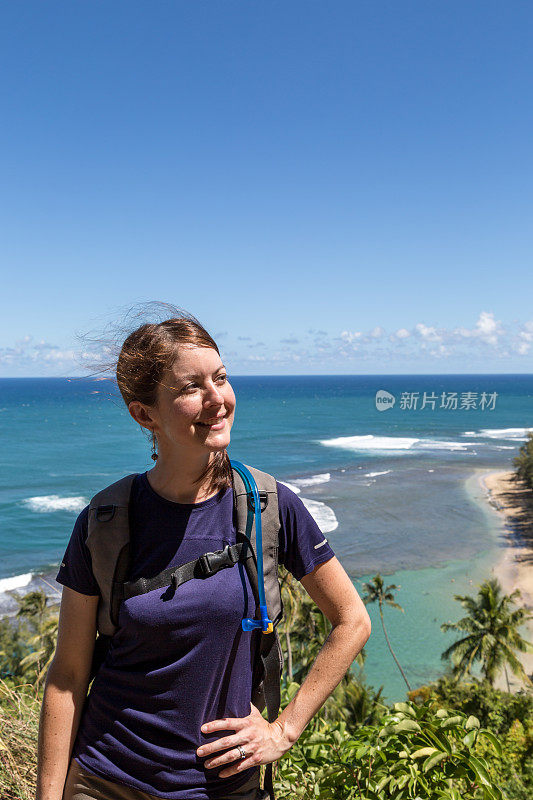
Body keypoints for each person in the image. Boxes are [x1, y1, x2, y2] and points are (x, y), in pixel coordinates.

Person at [35, 307, 371, 800]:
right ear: (144, 414)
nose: (218, 399)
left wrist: (283, 732)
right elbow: (66, 679)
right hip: (105, 778)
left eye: (221, 377)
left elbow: (352, 620)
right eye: (192, 388)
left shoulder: (269, 506)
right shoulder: (106, 520)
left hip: (217, 788)